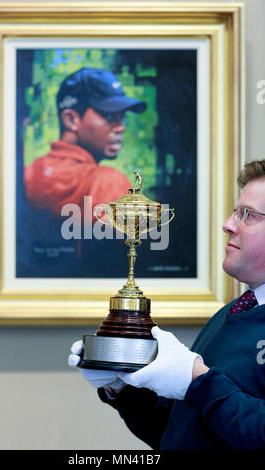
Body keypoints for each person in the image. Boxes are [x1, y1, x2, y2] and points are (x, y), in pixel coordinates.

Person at [69, 159, 265, 449]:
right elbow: (175, 433)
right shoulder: (232, 313)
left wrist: (199, 380)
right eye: (235, 212)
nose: (228, 225)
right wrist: (122, 387)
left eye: (247, 215)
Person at [24, 67, 146, 221]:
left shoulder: (28, 175)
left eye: (122, 118)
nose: (121, 127)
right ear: (71, 120)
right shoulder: (108, 183)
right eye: (109, 116)